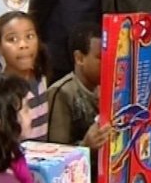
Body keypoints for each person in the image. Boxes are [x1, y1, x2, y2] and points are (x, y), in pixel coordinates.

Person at [0, 11, 50, 141]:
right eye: (12, 39)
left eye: (29, 36)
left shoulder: (42, 78)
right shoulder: (0, 91)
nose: (23, 45)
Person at [47, 22, 112, 151]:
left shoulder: (111, 89)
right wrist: (86, 146)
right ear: (79, 58)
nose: (108, 63)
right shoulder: (62, 93)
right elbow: (56, 150)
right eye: (101, 58)